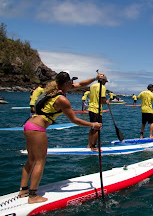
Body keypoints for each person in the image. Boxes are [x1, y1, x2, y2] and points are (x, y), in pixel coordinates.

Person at [19, 71, 104, 204]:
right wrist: (93, 124)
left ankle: (23, 191)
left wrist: (95, 78)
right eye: (70, 81)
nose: (73, 83)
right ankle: (33, 196)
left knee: (31, 160)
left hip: (29, 125)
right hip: (37, 129)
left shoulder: (54, 91)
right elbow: (75, 120)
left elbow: (81, 84)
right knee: (40, 161)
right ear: (65, 83)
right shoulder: (62, 99)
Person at [87, 75, 109, 151]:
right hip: (97, 110)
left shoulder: (92, 86)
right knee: (97, 128)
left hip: (90, 108)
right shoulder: (102, 87)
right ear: (102, 81)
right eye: (105, 81)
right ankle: (94, 146)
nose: (105, 83)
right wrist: (106, 102)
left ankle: (89, 145)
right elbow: (102, 100)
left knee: (92, 127)